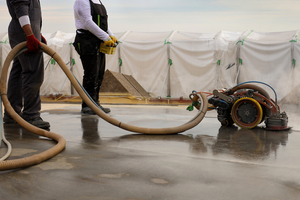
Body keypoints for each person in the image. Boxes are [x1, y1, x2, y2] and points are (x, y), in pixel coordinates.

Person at [4, 0, 50, 129]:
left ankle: (12, 113)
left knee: (18, 73)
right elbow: (21, 9)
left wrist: (37, 33)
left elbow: (29, 12)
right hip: (24, 33)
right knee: (33, 72)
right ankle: (31, 115)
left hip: (22, 31)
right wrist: (30, 34)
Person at [73, 0, 117, 114]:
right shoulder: (82, 1)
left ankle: (95, 102)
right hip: (87, 41)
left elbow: (103, 24)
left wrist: (111, 35)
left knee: (99, 73)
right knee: (91, 74)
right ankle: (87, 105)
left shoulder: (97, 1)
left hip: (98, 40)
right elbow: (87, 22)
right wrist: (105, 37)